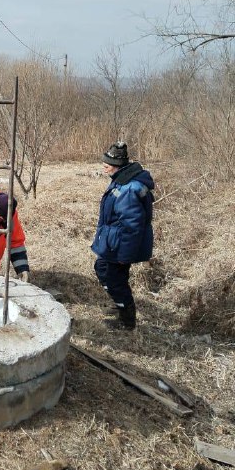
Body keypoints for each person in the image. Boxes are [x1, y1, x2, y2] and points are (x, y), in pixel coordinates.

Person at [91, 141, 154, 330]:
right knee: (115, 275)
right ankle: (122, 306)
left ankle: (126, 320)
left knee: (107, 272)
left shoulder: (128, 189)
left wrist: (124, 256)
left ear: (118, 165)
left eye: (107, 163)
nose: (104, 165)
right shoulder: (124, 179)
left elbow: (132, 227)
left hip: (119, 244)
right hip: (115, 241)